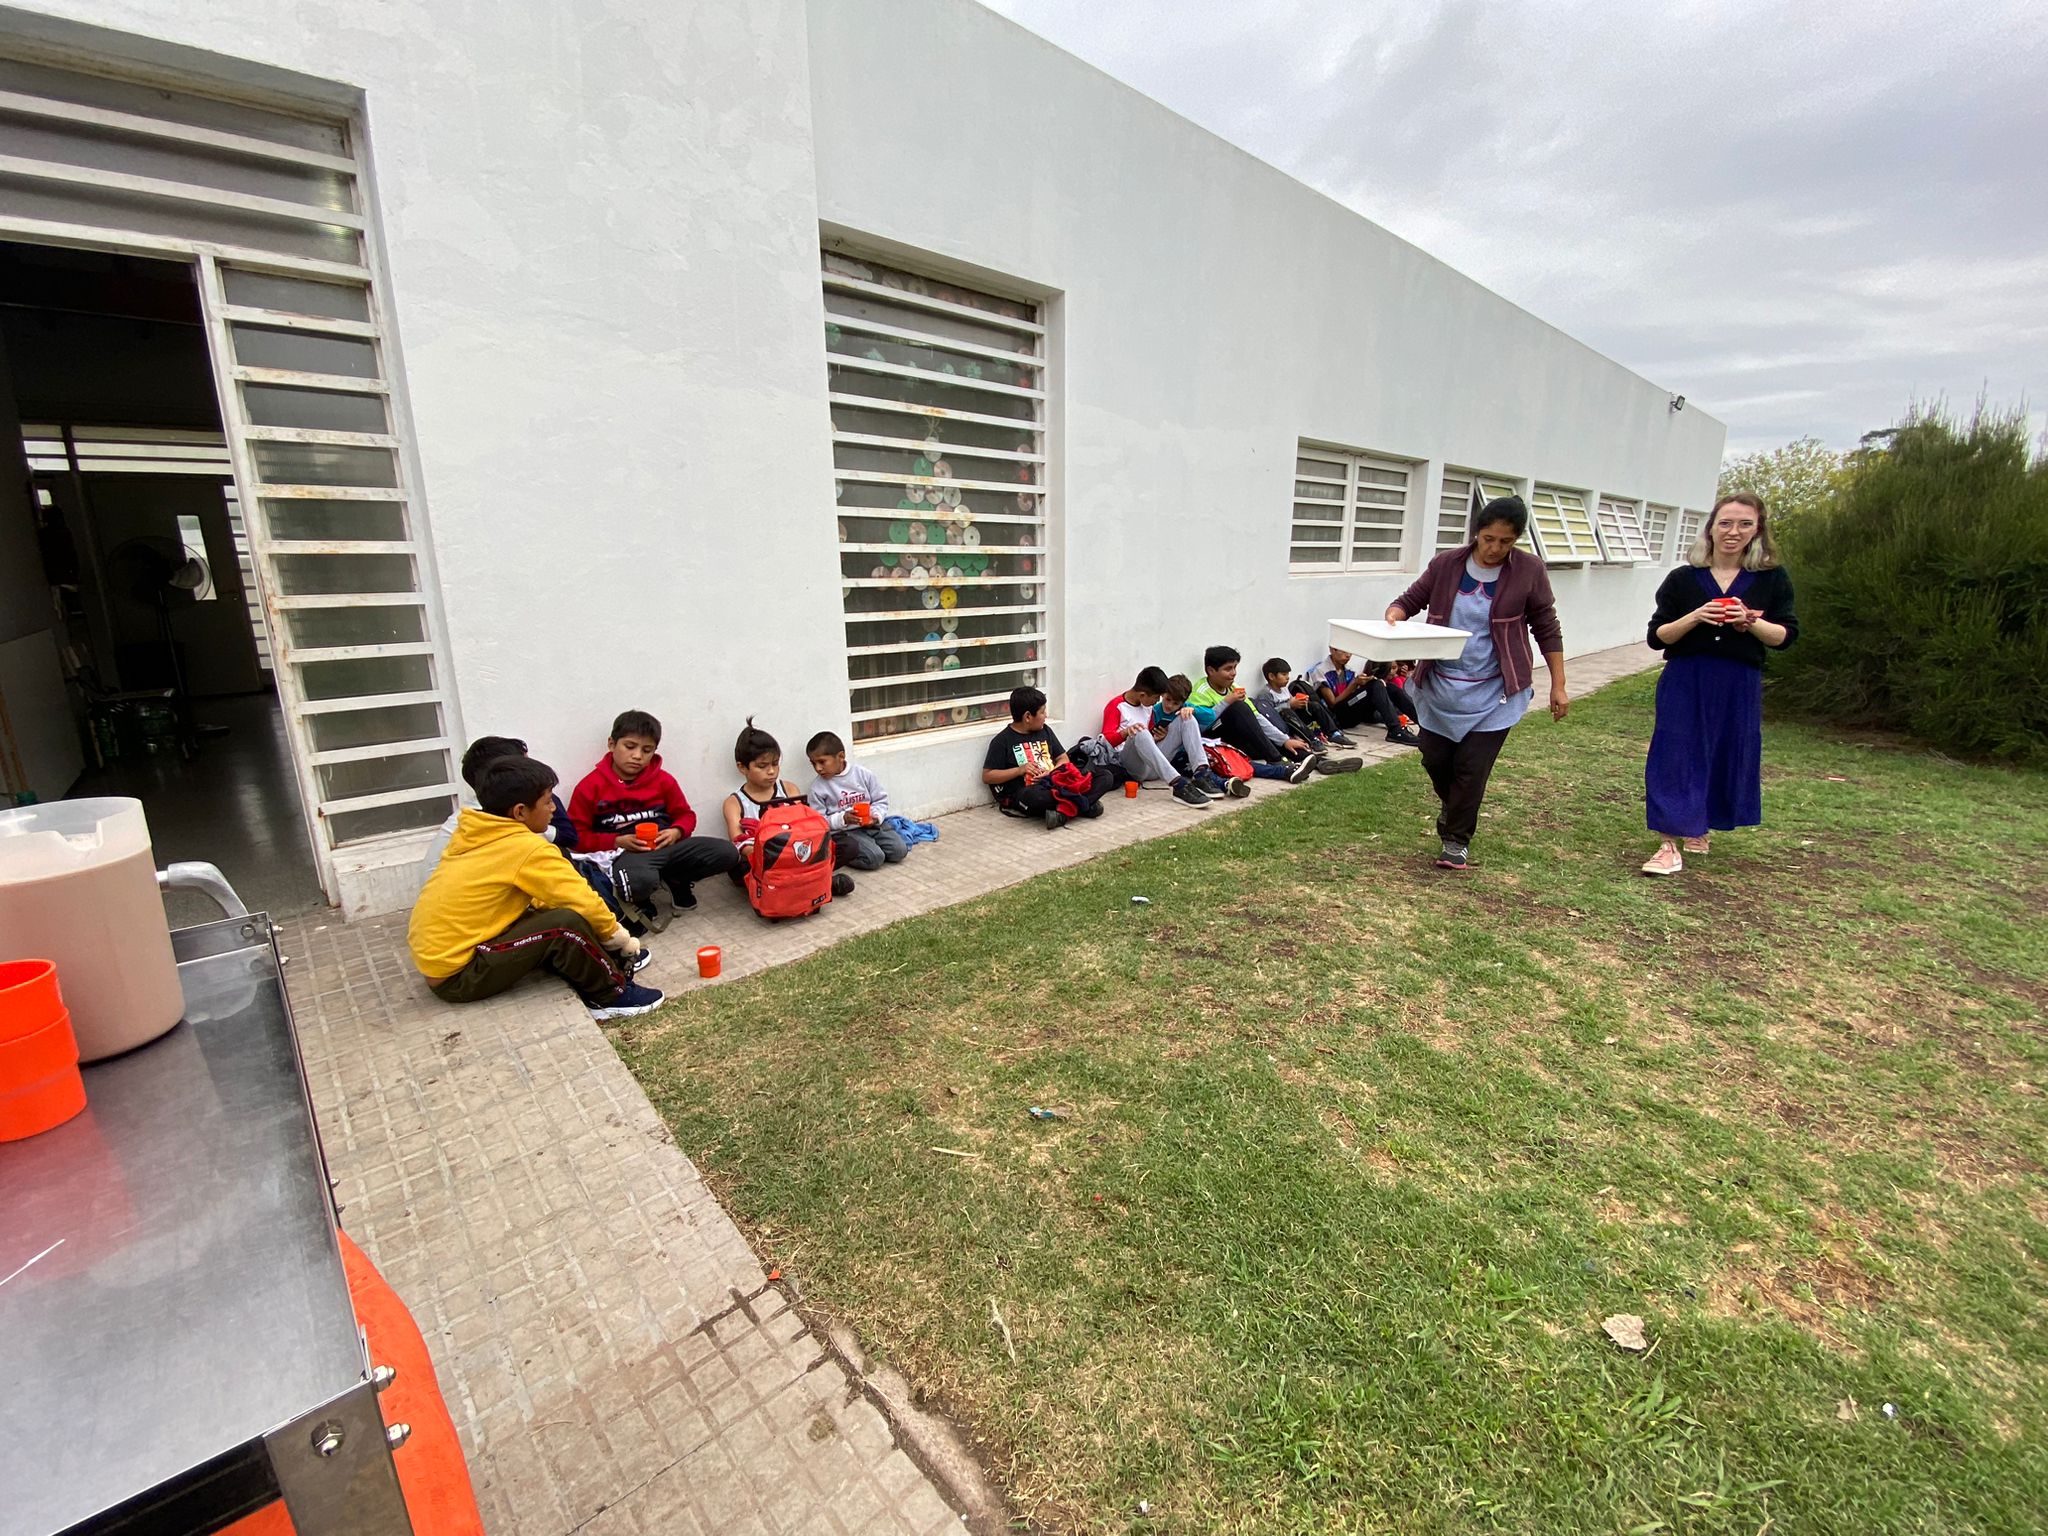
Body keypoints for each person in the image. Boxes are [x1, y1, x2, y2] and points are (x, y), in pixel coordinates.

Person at [1386, 494, 1568, 870]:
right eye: (1488, 539)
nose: (1495, 548)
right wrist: (1394, 614)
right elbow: (1411, 599)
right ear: (1476, 533)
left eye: (1505, 541)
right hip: (1440, 685)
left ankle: (1456, 840)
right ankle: (1454, 808)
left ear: (1516, 540)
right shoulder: (1447, 564)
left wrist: (1558, 684)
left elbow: (1547, 626)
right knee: (1435, 759)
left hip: (1495, 691)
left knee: (1471, 769)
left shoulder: (1529, 570)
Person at [407, 754, 663, 1021]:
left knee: (552, 911)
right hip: (459, 976)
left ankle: (596, 959)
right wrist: (620, 940)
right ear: (520, 812)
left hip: (444, 960)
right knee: (564, 923)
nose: (553, 809)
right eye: (548, 801)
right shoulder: (526, 849)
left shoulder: (474, 831)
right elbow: (581, 900)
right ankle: (609, 996)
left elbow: (544, 897)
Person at [1640, 491, 1798, 875]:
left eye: (1745, 524)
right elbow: (1657, 636)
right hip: (1687, 676)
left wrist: (1751, 622)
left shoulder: (1771, 579)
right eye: (1725, 523)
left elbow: (1785, 636)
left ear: (1757, 530)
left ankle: (1700, 824)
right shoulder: (1683, 579)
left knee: (1723, 750)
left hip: (1738, 680)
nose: (1733, 531)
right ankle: (1668, 844)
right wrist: (1696, 616)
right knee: (1674, 753)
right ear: (1711, 528)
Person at [426, 734, 638, 932]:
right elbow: (569, 882)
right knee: (567, 916)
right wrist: (613, 934)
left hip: (448, 921)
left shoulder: (474, 818)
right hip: (468, 929)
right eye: (524, 766)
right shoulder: (510, 836)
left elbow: (567, 835)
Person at [568, 709, 744, 931]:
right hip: (624, 854)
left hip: (665, 846)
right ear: (612, 744)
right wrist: (616, 841)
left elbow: (686, 815)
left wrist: (676, 831)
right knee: (637, 882)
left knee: (727, 852)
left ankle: (676, 881)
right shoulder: (590, 786)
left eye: (647, 750)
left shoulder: (663, 780)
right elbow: (575, 837)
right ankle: (642, 901)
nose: (637, 756)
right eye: (630, 746)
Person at [726, 718, 856, 894]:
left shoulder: (789, 789)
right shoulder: (734, 803)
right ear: (742, 767)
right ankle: (815, 883)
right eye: (762, 766)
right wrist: (774, 852)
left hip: (799, 850)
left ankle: (799, 884)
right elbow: (740, 844)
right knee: (737, 867)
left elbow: (808, 826)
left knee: (848, 845)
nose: (771, 771)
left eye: (775, 764)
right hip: (767, 858)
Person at [1188, 645, 1323, 783]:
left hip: (1236, 740)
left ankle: (1310, 759)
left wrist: (1284, 740)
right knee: (1238, 708)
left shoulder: (1234, 687)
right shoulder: (1200, 692)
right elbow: (1198, 729)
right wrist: (1226, 702)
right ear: (1211, 670)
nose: (1233, 673)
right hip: (1213, 741)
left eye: (1235, 668)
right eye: (1228, 669)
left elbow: (1256, 717)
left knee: (1262, 733)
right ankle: (1276, 760)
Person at [1100, 666, 1216, 807]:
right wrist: (1125, 732)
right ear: (1143, 695)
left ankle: (1201, 773)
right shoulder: (1117, 706)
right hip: (1129, 765)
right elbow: (1105, 742)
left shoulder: (1148, 708)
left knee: (1187, 718)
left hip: (1154, 765)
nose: (1157, 702)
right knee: (1139, 731)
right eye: (1156, 698)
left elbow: (1147, 740)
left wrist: (1157, 737)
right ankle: (1178, 784)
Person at [983, 685, 1090, 828]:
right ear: (1028, 717)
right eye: (1042, 712)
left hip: (1054, 784)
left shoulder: (1045, 731)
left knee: (1104, 776)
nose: (1046, 715)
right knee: (1035, 797)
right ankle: (1083, 803)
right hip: (1028, 792)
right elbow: (988, 776)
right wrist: (1020, 770)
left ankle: (1064, 812)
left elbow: (1063, 758)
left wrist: (1052, 772)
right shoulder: (1002, 741)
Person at [806, 730, 911, 870]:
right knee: (875, 858)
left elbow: (880, 800)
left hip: (871, 826)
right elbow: (819, 822)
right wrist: (842, 819)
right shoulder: (817, 788)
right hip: (845, 833)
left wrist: (875, 817)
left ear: (841, 756)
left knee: (900, 851)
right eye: (813, 764)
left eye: (822, 762)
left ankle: (871, 845)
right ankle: (850, 854)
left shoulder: (863, 774)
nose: (818, 768)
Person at [1255, 658, 1364, 771]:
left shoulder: (1284, 689)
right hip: (1284, 724)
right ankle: (1313, 740)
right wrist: (1289, 705)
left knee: (1314, 705)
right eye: (1284, 674)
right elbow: (1269, 714)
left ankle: (1333, 733)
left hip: (1295, 720)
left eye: (1288, 674)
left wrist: (1300, 702)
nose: (1287, 677)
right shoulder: (1266, 693)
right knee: (1286, 712)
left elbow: (1291, 701)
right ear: (1271, 676)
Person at [1302, 648, 1420, 745]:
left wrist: (1363, 684)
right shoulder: (1321, 671)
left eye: (1350, 652)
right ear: (1332, 650)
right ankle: (1395, 730)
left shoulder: (1349, 670)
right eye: (1344, 652)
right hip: (1337, 715)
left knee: (1389, 687)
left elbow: (1355, 696)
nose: (1348, 655)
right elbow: (1333, 703)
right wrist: (1355, 684)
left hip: (1353, 710)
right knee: (1376, 685)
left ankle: (1423, 724)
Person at [1157, 674, 1248, 798]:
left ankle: (1273, 771)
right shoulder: (1155, 711)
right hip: (1165, 758)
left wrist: (1193, 710)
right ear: (1163, 694)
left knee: (1218, 760)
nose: (1169, 705)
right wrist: (1156, 738)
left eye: (1175, 703)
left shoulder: (1185, 707)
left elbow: (1210, 716)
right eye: (1168, 700)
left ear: (1183, 702)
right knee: (1202, 765)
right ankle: (1225, 784)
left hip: (1184, 754)